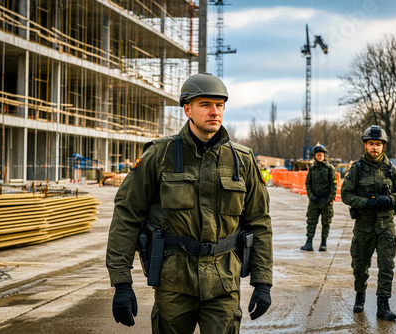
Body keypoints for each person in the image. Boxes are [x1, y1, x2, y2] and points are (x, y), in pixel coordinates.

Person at [106, 73, 273, 333]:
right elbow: (127, 215)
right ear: (187, 109)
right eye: (205, 104)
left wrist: (263, 281)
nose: (214, 112)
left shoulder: (242, 159)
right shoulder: (159, 155)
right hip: (174, 283)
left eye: (219, 105)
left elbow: (259, 221)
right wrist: (121, 283)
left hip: (224, 282)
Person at [341, 125, 396, 321]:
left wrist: (390, 200)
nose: (375, 148)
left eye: (378, 144)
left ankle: (383, 305)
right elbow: (346, 194)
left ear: (383, 146)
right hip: (364, 226)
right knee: (360, 265)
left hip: (386, 225)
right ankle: (360, 295)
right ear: (365, 145)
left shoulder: (391, 169)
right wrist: (366, 203)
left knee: (387, 265)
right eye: (371, 144)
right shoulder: (357, 169)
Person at [301, 143, 337, 252]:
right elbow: (308, 183)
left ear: (324, 155)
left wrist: (330, 199)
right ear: (315, 156)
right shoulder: (312, 169)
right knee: (311, 221)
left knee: (326, 223)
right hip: (314, 201)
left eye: (321, 154)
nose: (319, 156)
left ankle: (323, 243)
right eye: (317, 155)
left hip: (326, 201)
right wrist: (311, 196)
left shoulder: (329, 168)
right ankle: (309, 243)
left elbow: (334, 185)